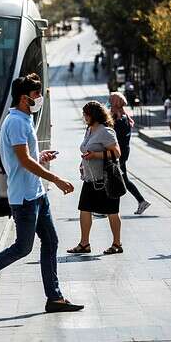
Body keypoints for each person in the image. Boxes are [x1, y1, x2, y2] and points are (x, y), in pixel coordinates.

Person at [0, 73, 84, 314]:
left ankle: (54, 298)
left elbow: (26, 160)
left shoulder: (24, 118)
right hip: (25, 198)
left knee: (50, 241)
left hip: (36, 193)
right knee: (22, 247)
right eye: (37, 94)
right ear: (24, 98)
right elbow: (24, 161)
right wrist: (56, 178)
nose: (40, 98)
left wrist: (41, 158)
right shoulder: (16, 122)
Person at [66, 100, 123, 255]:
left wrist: (95, 155)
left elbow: (117, 153)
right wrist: (82, 163)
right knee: (84, 209)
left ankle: (117, 244)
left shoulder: (105, 131)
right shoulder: (89, 129)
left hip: (106, 179)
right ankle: (84, 244)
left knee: (112, 211)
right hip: (90, 178)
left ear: (94, 115)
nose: (84, 116)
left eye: (86, 114)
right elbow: (86, 149)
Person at [110, 92, 151, 215]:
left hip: (118, 155)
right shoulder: (124, 116)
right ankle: (141, 201)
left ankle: (107, 208)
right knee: (123, 179)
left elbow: (112, 137)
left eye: (110, 101)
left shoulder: (119, 119)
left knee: (112, 179)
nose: (109, 103)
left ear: (115, 103)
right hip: (122, 153)